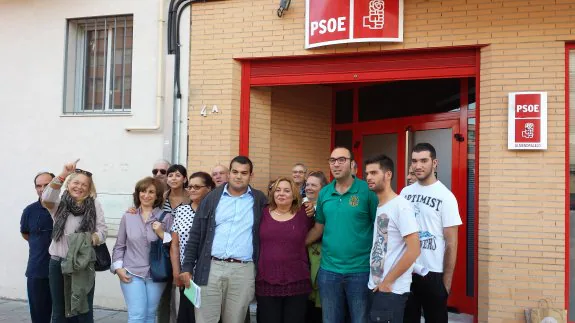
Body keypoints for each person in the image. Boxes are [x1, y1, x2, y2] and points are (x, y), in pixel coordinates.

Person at [179, 156, 268, 323]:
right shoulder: (211, 198)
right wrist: (187, 266)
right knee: (205, 319)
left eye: (244, 173)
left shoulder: (259, 200)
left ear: (251, 175)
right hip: (210, 268)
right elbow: (195, 235)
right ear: (229, 173)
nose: (239, 176)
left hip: (243, 270)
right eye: (235, 172)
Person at [305, 147, 378, 323]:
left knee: (360, 319)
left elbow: (380, 229)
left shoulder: (367, 191)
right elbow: (318, 228)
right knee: (330, 319)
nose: (336, 164)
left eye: (341, 160)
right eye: (332, 160)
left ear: (352, 164)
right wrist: (296, 244)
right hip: (329, 271)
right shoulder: (324, 193)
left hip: (360, 271)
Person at [401, 143, 462, 323]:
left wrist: (446, 283)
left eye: (423, 161)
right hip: (407, 271)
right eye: (414, 161)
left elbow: (451, 243)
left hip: (433, 272)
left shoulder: (446, 197)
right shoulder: (405, 193)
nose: (418, 166)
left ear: (434, 163)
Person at [42, 160, 108, 323]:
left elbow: (103, 231)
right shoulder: (58, 204)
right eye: (76, 182)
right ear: (69, 183)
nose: (79, 187)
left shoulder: (94, 204)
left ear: (89, 188)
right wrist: (63, 174)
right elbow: (46, 197)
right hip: (58, 263)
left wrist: (89, 239)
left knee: (83, 310)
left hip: (83, 264)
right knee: (60, 311)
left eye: (84, 185)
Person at [364, 154, 420, 323]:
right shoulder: (381, 206)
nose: (368, 177)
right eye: (367, 173)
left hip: (391, 291)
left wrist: (388, 282)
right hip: (376, 287)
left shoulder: (401, 206)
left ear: (388, 175)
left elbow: (414, 250)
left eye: (374, 173)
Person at [112, 177, 173, 323]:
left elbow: (174, 246)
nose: (146, 195)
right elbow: (120, 245)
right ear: (138, 193)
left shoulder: (166, 217)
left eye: (151, 192)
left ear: (157, 196)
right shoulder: (128, 216)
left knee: (150, 315)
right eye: (143, 191)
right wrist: (118, 268)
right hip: (131, 271)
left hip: (157, 273)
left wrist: (161, 233)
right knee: (137, 315)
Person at [256, 177, 313, 323]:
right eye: (278, 190)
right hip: (266, 281)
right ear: (272, 193)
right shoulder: (262, 213)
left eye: (287, 190)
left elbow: (318, 230)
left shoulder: (304, 214)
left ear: (294, 195)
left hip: (297, 281)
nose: (281, 193)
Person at [170, 172, 215, 323]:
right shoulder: (181, 211)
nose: (192, 190)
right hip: (187, 275)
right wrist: (177, 272)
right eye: (189, 187)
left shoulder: (216, 211)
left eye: (197, 186)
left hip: (211, 275)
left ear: (208, 189)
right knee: (187, 316)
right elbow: (174, 244)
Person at [21, 171, 55, 323]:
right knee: (39, 317)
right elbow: (26, 234)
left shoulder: (65, 208)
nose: (42, 189)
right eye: (38, 186)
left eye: (47, 185)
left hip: (63, 271)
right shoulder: (29, 211)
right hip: (37, 271)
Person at [160, 164, 189, 323]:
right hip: (162, 249)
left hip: (183, 249)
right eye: (170, 175)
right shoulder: (161, 197)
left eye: (178, 175)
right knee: (163, 293)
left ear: (185, 178)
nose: (173, 178)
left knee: (185, 292)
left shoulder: (191, 197)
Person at [303, 171, 329, 323]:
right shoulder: (299, 204)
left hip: (322, 258)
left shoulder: (327, 206)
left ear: (323, 188)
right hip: (305, 258)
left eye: (314, 185)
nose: (309, 188)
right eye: (307, 184)